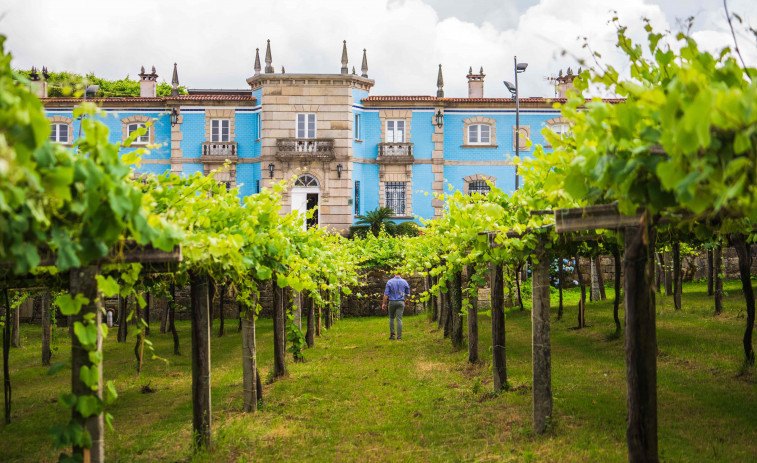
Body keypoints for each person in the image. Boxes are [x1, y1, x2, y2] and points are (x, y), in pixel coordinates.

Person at [382, 272, 410, 340]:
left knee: (391, 318)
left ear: (394, 273)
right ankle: (399, 337)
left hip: (392, 302)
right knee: (399, 319)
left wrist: (384, 303)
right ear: (401, 273)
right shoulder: (405, 282)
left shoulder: (390, 282)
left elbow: (386, 295)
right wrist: (406, 301)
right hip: (401, 302)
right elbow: (408, 294)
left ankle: (392, 335)